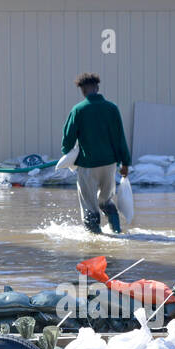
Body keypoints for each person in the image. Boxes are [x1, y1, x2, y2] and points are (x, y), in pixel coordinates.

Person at [61, 72, 131, 234]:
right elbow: (119, 137)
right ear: (97, 88)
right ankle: (116, 232)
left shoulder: (78, 110)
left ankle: (95, 242)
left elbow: (68, 140)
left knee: (89, 205)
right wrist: (125, 163)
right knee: (106, 200)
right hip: (109, 165)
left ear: (82, 91)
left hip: (88, 165)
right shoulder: (112, 108)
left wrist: (68, 155)